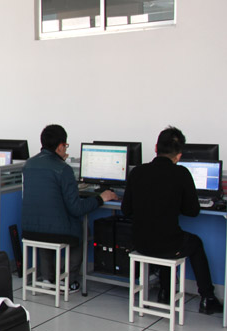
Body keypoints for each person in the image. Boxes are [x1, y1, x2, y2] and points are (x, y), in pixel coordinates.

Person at [121, 127, 223, 314]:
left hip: (140, 243)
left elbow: (125, 210)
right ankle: (208, 298)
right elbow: (192, 211)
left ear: (155, 148)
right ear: (179, 155)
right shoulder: (181, 173)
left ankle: (165, 291)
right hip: (167, 245)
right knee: (192, 242)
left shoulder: (137, 172)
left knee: (166, 235)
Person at [21, 124, 117, 290]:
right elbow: (76, 208)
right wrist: (101, 198)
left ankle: (47, 278)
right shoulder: (63, 169)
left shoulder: (28, 164)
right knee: (82, 228)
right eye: (65, 146)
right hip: (55, 232)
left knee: (45, 226)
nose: (65, 149)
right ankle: (68, 280)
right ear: (60, 146)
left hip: (29, 230)